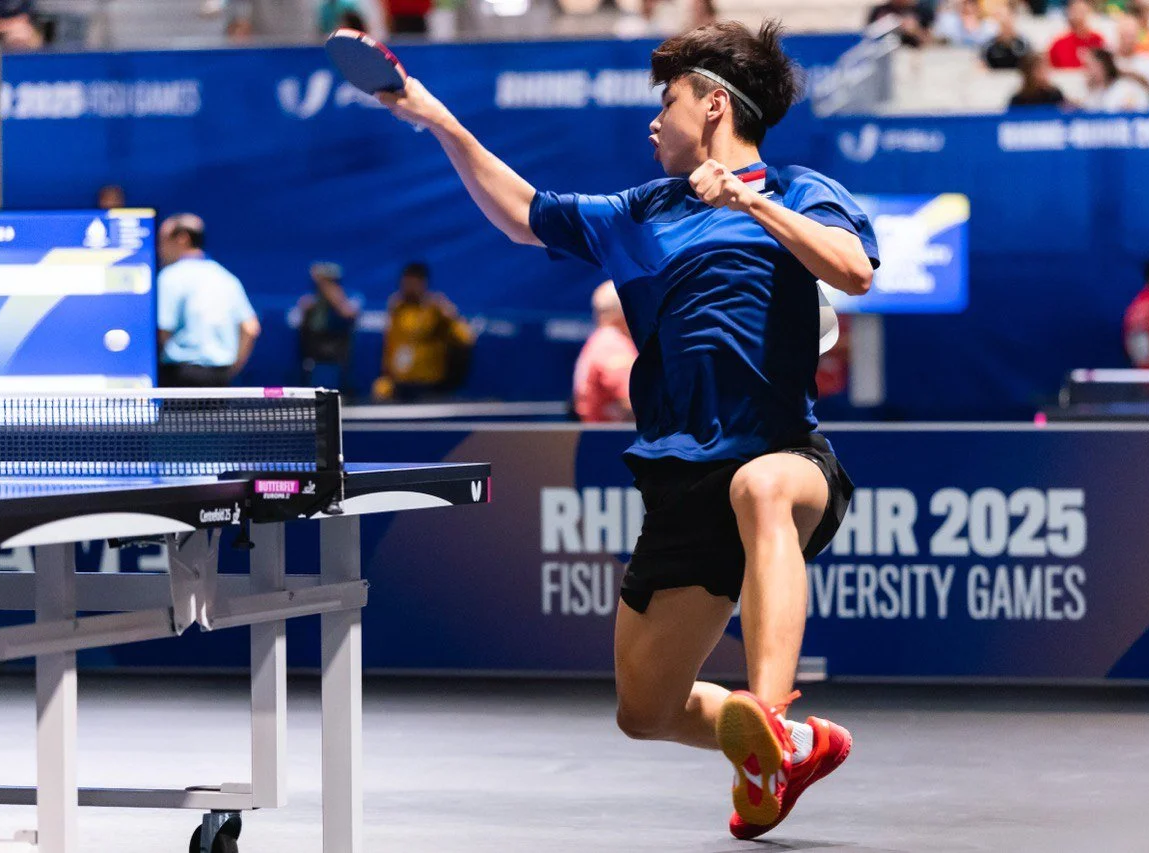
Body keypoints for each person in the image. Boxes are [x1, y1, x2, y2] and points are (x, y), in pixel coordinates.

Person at [374, 18, 877, 840]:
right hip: (681, 481)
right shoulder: (638, 212)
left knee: (762, 485)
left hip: (784, 456)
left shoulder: (801, 190)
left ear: (715, 106)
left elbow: (851, 269)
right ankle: (792, 748)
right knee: (645, 709)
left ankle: (776, 719)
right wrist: (439, 119)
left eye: (668, 101)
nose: (653, 121)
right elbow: (521, 213)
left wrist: (747, 197)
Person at [157, 214, 262, 387]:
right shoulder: (226, 278)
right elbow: (251, 328)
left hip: (180, 377)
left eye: (163, 241)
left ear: (182, 239)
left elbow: (163, 331)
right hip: (219, 377)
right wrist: (231, 370)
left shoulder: (169, 276)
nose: (159, 249)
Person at [373, 263, 474, 401]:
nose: (409, 289)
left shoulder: (436, 310)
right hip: (399, 384)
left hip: (429, 386)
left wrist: (450, 315)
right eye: (406, 283)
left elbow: (465, 337)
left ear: (423, 283)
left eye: (413, 284)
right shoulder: (397, 309)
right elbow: (390, 345)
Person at [289, 262, 362, 390]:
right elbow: (297, 323)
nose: (322, 287)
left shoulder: (349, 298)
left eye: (327, 282)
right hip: (313, 360)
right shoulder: (310, 302)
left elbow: (349, 315)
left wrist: (334, 297)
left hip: (335, 359)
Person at [573, 281, 637, 423]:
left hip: (598, 436)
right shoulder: (613, 345)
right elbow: (633, 402)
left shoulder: (598, 341)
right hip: (615, 440)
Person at [1082, 47, 1149, 112]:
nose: (1085, 71)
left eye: (1088, 66)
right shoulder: (1095, 91)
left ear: (1101, 67)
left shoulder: (1126, 88)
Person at [1048, 0, 1105, 70]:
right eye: (1076, 11)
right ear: (1069, 13)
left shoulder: (1097, 40)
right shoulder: (1059, 43)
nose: (1079, 15)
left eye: (1082, 11)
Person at [932, 0, 997, 49]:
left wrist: (974, 30)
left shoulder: (989, 25)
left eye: (972, 4)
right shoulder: (948, 21)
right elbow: (937, 39)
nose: (968, 8)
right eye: (965, 4)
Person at [867, 0, 934, 48]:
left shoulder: (923, 10)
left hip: (912, 55)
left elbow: (932, 43)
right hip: (883, 54)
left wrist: (915, 30)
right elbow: (866, 38)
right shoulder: (880, 10)